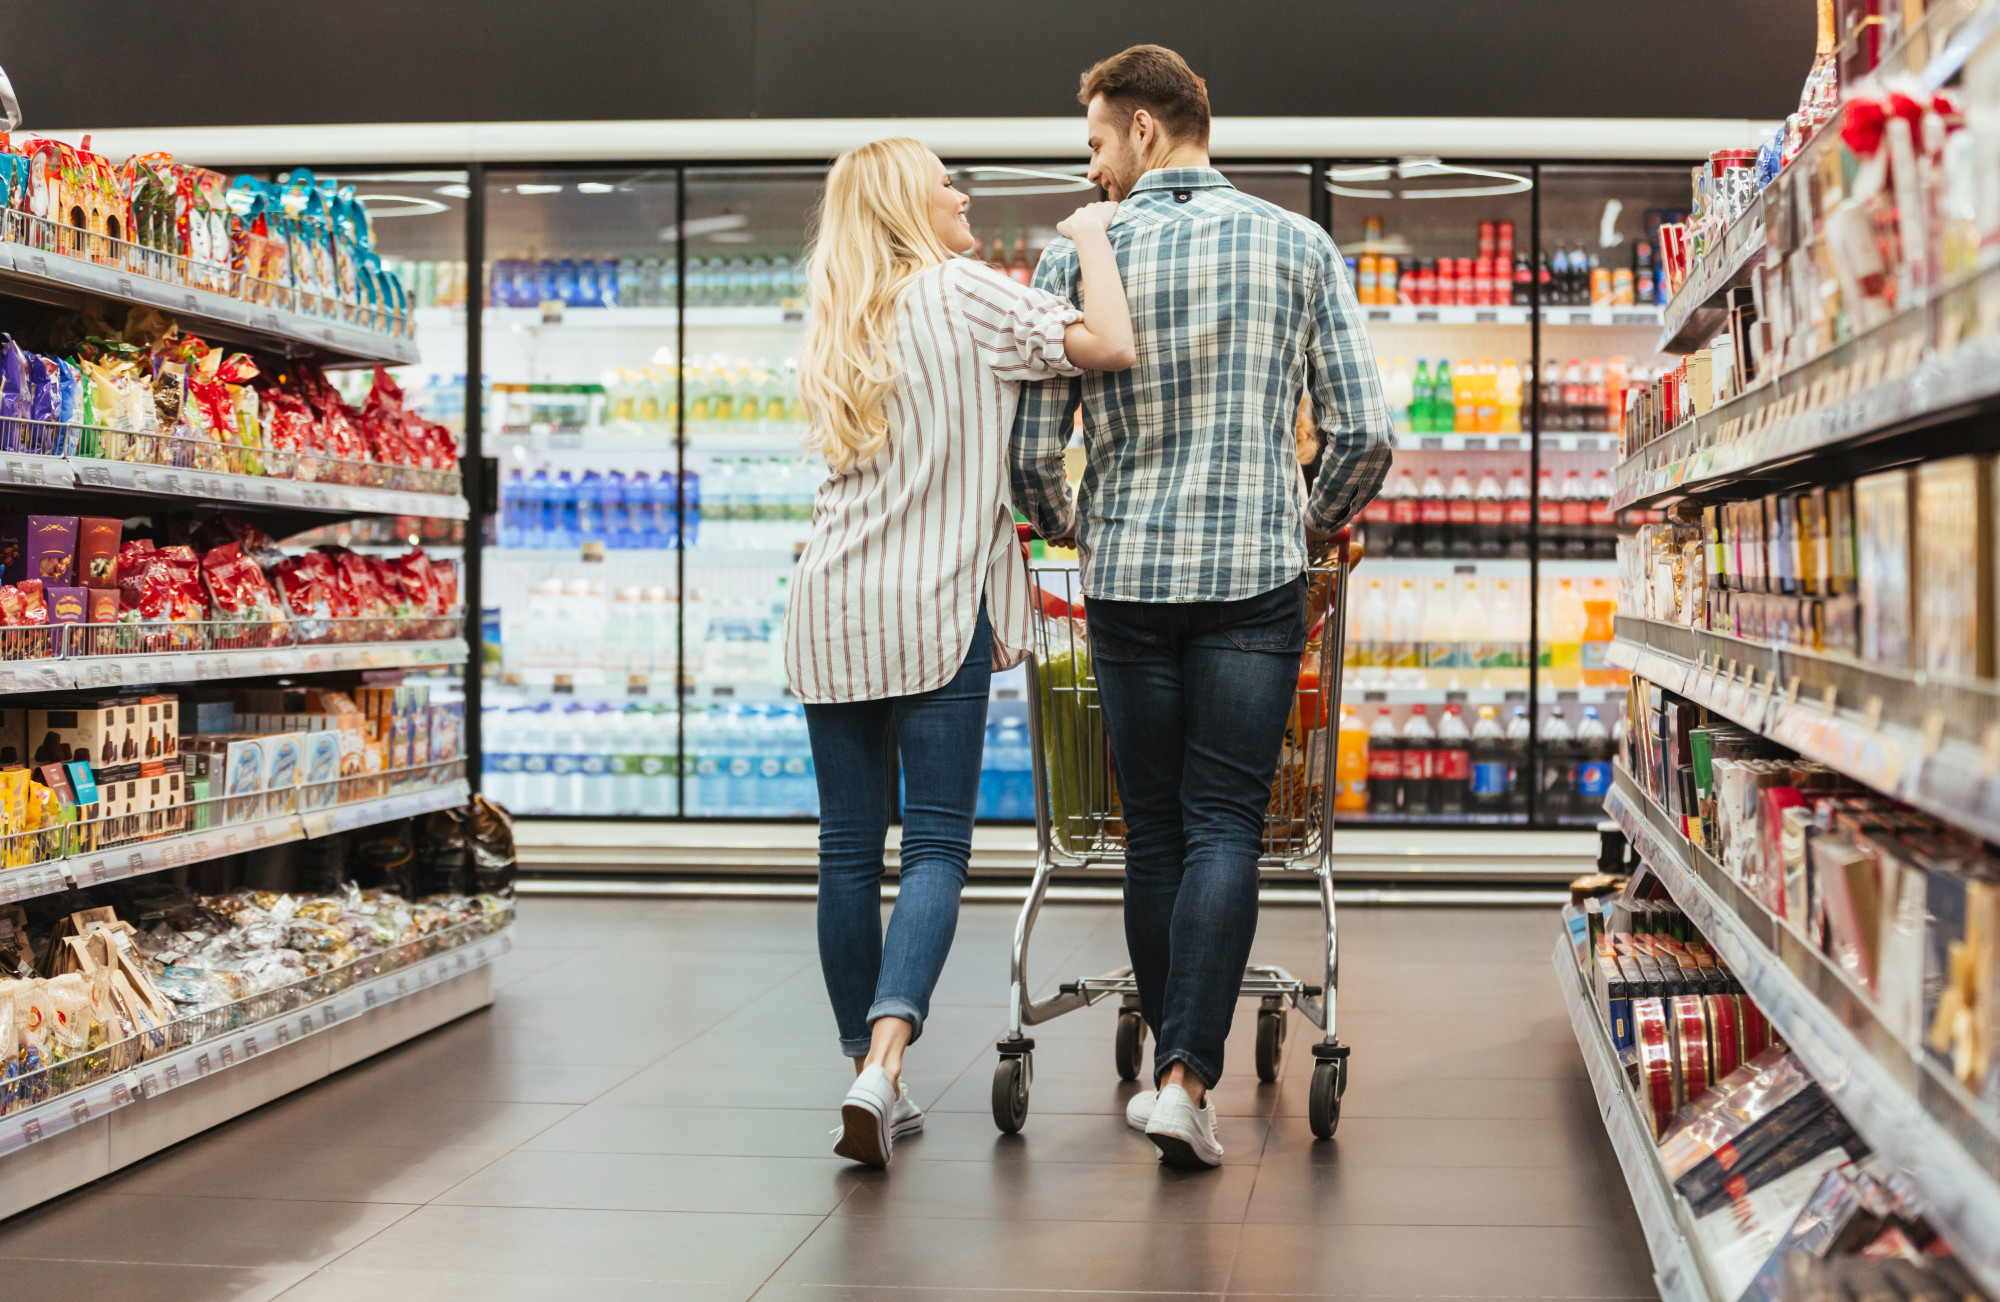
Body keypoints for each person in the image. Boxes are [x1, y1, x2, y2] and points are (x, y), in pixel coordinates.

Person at [1011, 46, 1392, 1169]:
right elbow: (1364, 432)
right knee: (1231, 821)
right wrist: (1309, 523)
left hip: (1126, 584)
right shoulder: (1295, 243)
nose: (1092, 170)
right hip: (1253, 582)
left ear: (1139, 128)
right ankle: (1186, 1078)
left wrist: (1078, 526)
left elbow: (1034, 456)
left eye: (1092, 143)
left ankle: (1175, 1069)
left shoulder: (1073, 257)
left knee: (1156, 831)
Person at [786, 137, 1135, 1168]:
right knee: (935, 845)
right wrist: (1090, 236)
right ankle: (886, 1064)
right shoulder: (965, 294)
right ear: (908, 201)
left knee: (847, 851)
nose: (962, 194)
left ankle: (861, 1064)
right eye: (946, 181)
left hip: (829, 605)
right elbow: (1109, 344)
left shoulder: (840, 313)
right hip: (934, 607)